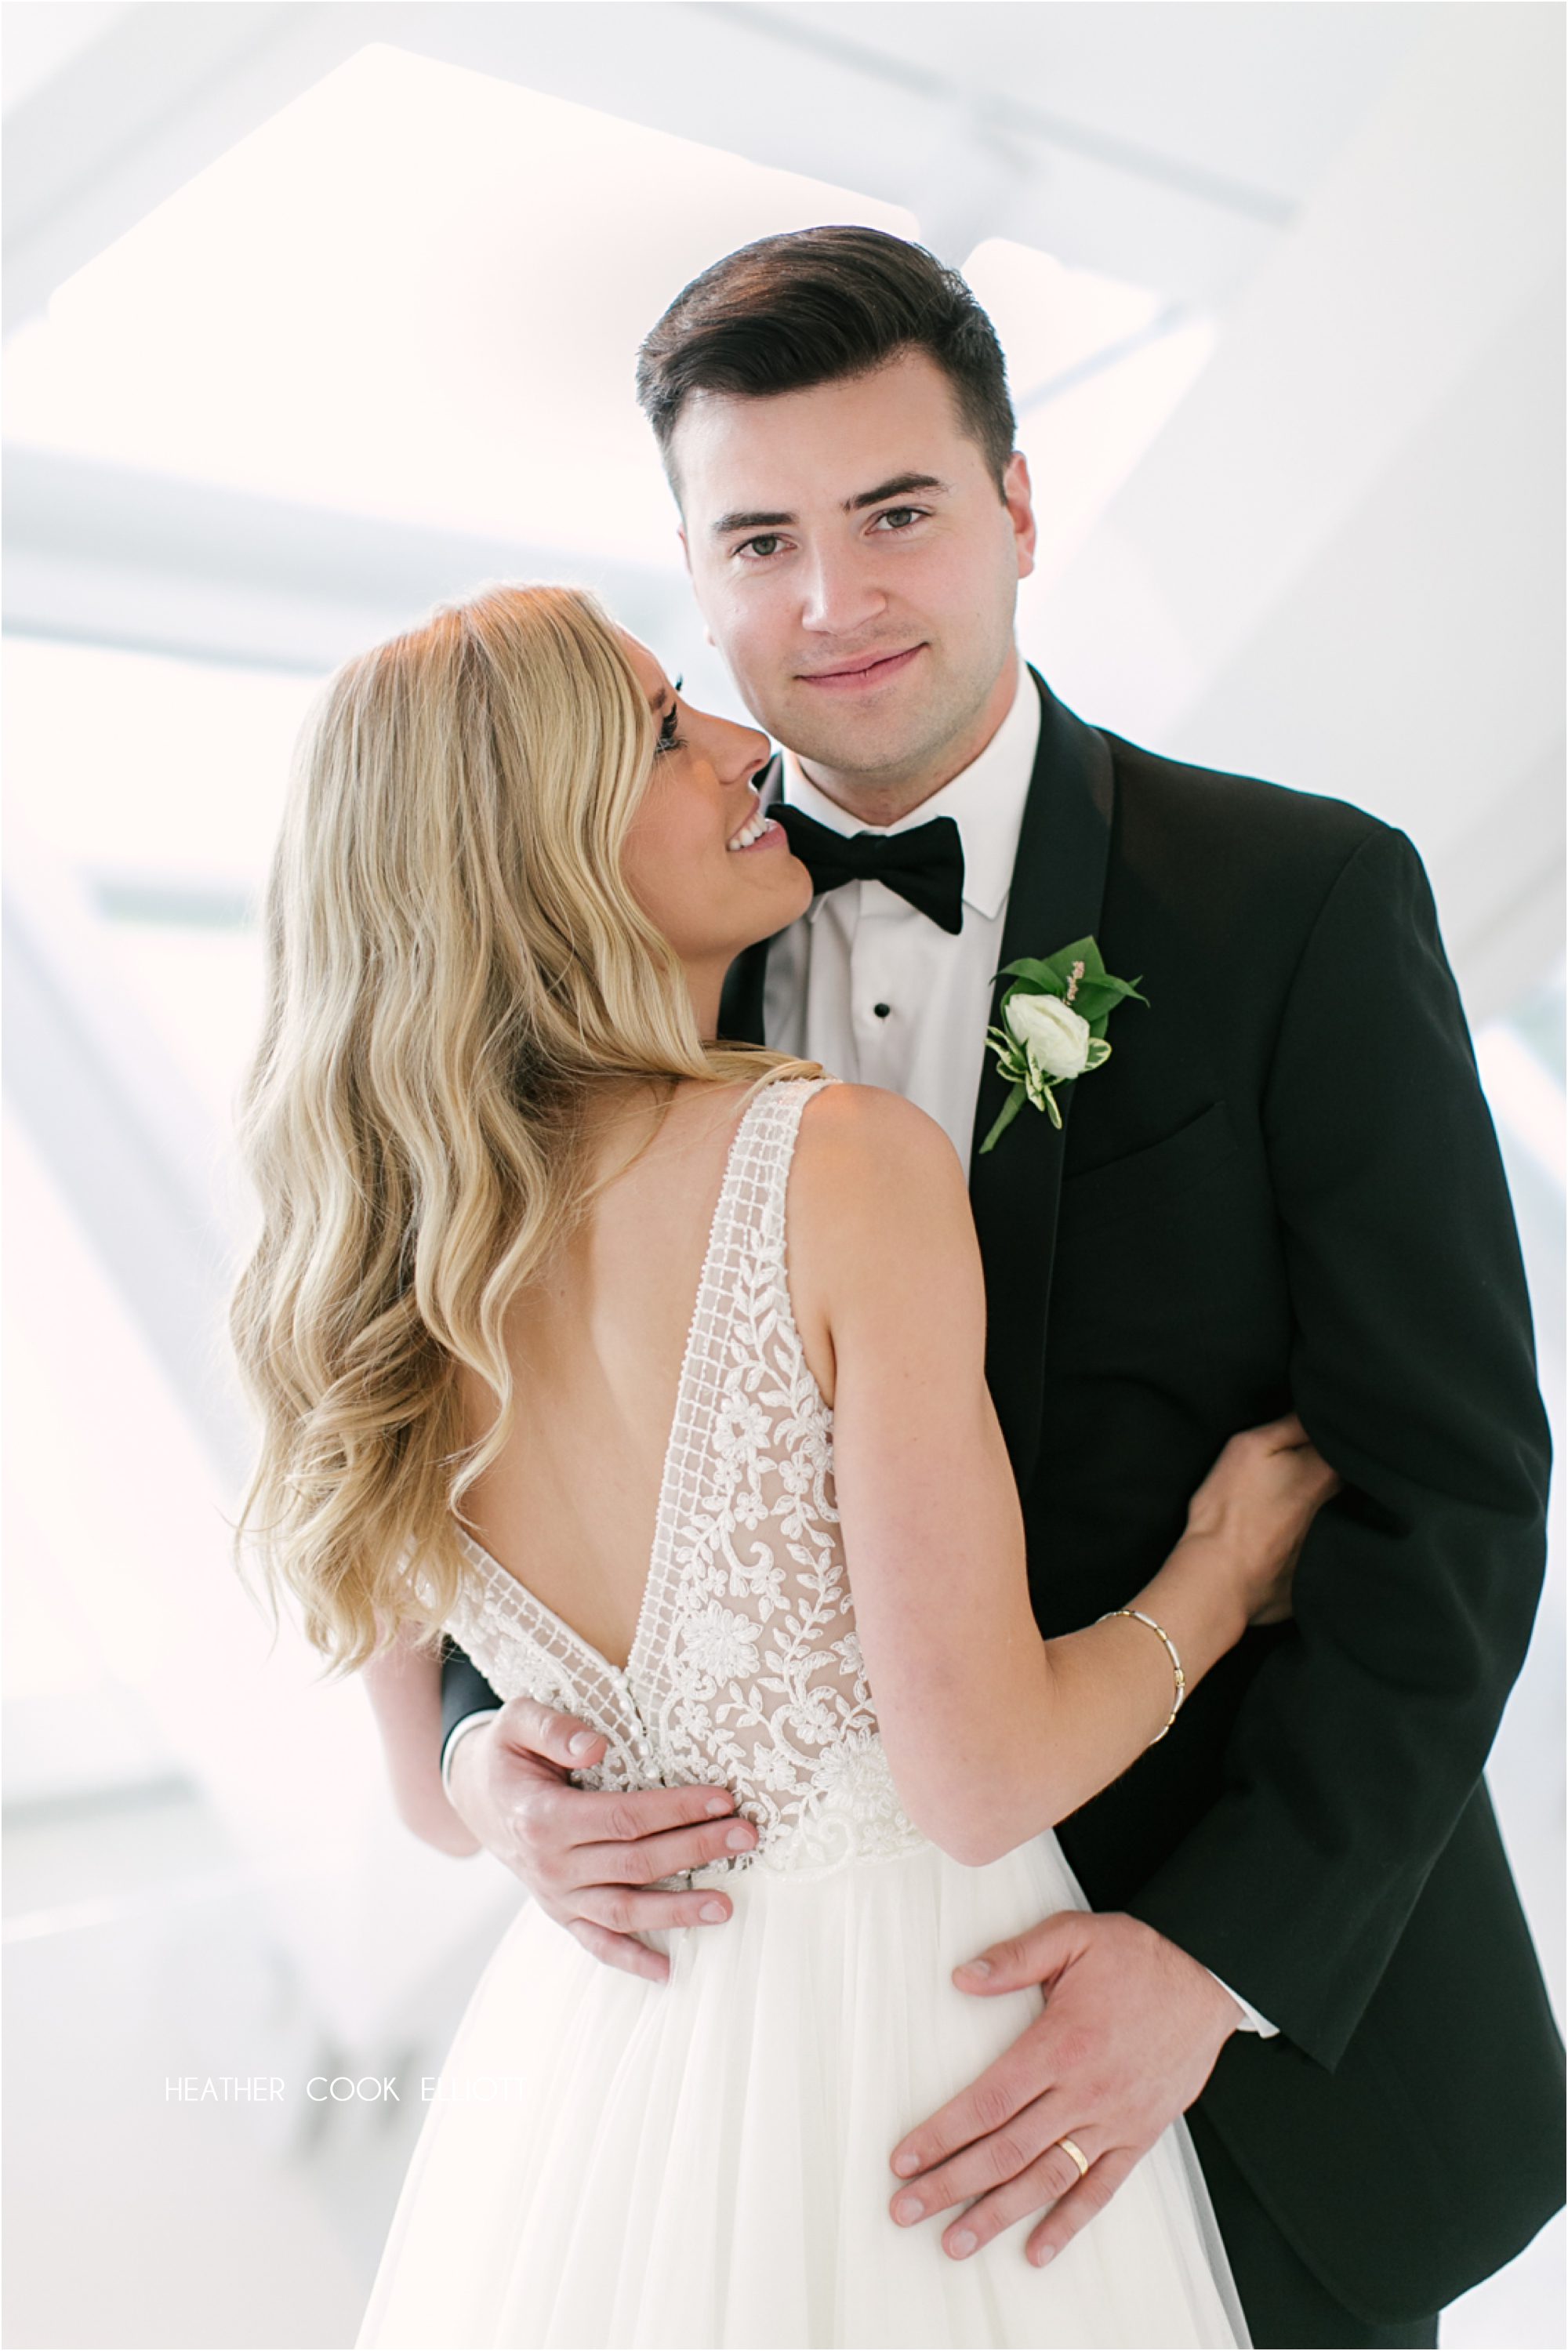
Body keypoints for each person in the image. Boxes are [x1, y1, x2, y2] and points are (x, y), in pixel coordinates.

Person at [432, 230, 1565, 2349]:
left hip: (1238, 2078)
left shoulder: (1298, 900)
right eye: (758, 539)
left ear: (1020, 509)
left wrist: (1211, 1966)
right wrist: (495, 1765)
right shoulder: (620, 971)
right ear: (693, 571)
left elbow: (1453, 1494)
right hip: (786, 2101)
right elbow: (489, 1467)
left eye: (896, 514)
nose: (832, 602)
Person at [229, 575, 1342, 2348]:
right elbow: (978, 1778)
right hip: (916, 2048)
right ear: (542, 855)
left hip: (602, 2080)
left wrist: (509, 1789)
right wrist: (1219, 1571)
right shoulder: (840, 1165)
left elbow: (431, 1797)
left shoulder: (372, 1275)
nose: (752, 745)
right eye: (667, 736)